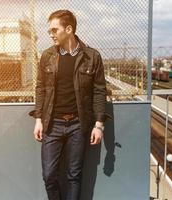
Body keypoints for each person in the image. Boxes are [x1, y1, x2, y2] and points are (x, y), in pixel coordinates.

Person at [30, 9, 107, 200]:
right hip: (52, 124)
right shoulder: (47, 56)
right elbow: (40, 88)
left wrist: (99, 125)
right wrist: (38, 119)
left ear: (69, 29)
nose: (50, 34)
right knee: (49, 175)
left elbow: (99, 91)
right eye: (50, 31)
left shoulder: (92, 57)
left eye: (54, 30)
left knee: (74, 176)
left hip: (78, 125)